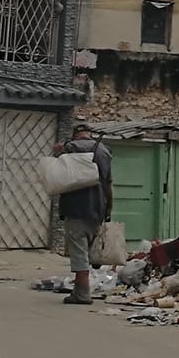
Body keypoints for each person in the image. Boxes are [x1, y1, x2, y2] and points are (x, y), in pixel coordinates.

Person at [52, 122, 112, 305]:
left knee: (78, 251)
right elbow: (109, 184)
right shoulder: (104, 150)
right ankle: (78, 291)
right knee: (85, 250)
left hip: (76, 206)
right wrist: (108, 209)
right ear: (89, 135)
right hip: (98, 207)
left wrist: (57, 152)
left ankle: (83, 294)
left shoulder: (70, 148)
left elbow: (56, 173)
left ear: (75, 135)